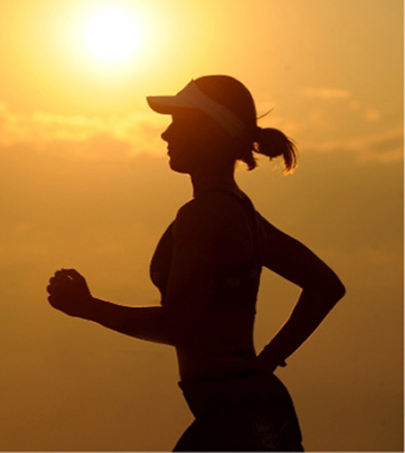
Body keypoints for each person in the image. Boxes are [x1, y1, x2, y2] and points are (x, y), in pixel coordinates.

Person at [45, 75, 345, 451]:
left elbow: (179, 325)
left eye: (177, 122)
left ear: (209, 130)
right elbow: (325, 285)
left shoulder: (204, 214)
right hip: (251, 413)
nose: (165, 136)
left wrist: (88, 308)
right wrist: (265, 362)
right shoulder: (240, 212)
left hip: (237, 419)